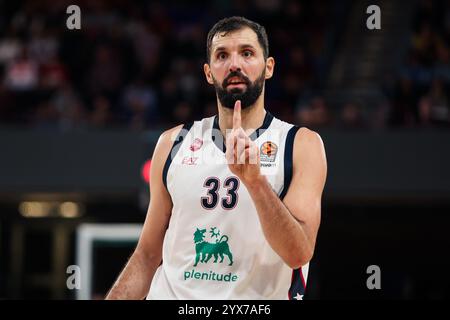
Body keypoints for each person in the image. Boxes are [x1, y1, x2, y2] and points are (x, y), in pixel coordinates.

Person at [106, 16, 327, 300]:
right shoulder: (172, 142)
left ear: (268, 67)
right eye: (222, 55)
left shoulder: (301, 145)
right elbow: (147, 255)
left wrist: (256, 182)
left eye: (247, 53)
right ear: (209, 73)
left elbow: (299, 253)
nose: (234, 64)